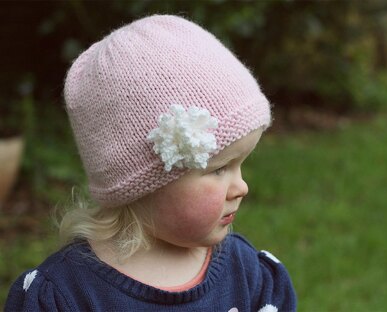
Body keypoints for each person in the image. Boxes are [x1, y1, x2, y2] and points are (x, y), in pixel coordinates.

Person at [5, 14, 296, 311]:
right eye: (219, 168)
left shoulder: (248, 275)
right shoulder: (65, 296)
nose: (242, 187)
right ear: (142, 184)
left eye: (240, 165)